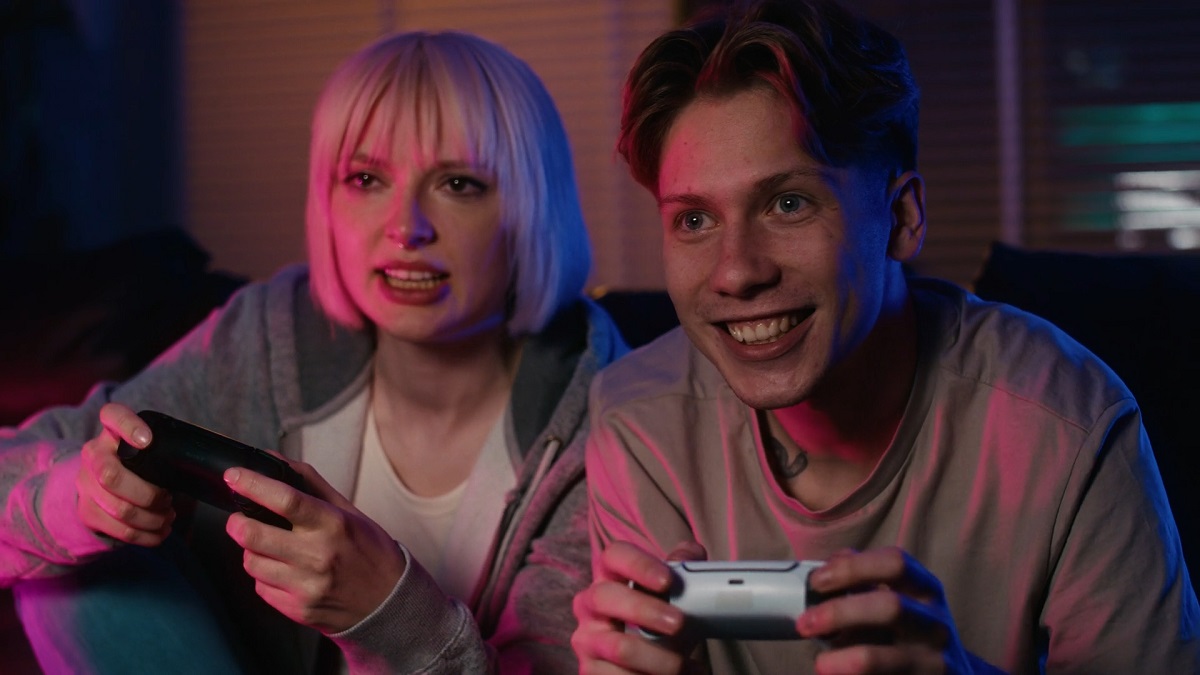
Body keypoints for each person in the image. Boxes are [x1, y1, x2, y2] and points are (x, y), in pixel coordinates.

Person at [571, 1, 1200, 673]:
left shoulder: (1068, 422)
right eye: (694, 219)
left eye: (788, 203)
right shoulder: (638, 425)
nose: (736, 271)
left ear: (902, 216)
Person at [0, 30, 626, 674]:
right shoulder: (270, 338)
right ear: (327, 201)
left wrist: (391, 614)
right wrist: (73, 501)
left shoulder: (605, 419)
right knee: (62, 569)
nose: (407, 227)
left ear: (530, 208)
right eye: (365, 178)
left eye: (459, 184)